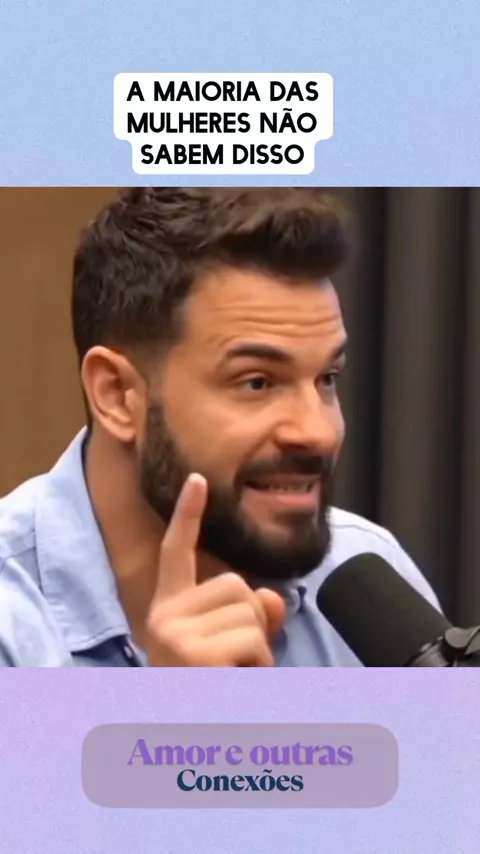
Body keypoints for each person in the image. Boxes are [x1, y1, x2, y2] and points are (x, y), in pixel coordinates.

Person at [0, 188, 440, 667]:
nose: (318, 432)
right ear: (117, 395)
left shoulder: (368, 579)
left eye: (327, 378)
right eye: (257, 382)